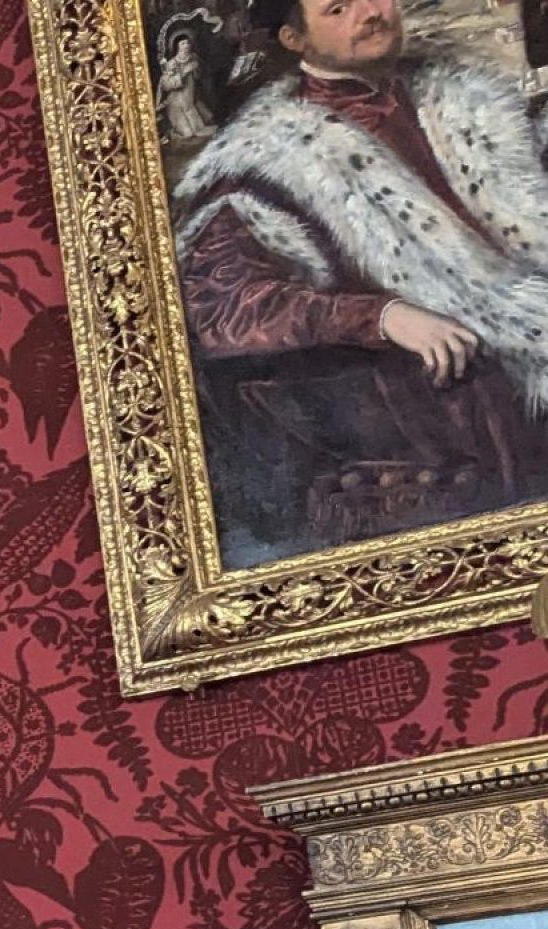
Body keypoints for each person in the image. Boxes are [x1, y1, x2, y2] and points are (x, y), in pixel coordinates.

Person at [169, 0, 548, 559]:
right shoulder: (262, 155)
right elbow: (227, 307)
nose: (371, 13)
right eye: (338, 8)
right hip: (444, 403)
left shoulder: (470, 99)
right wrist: (383, 316)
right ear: (294, 39)